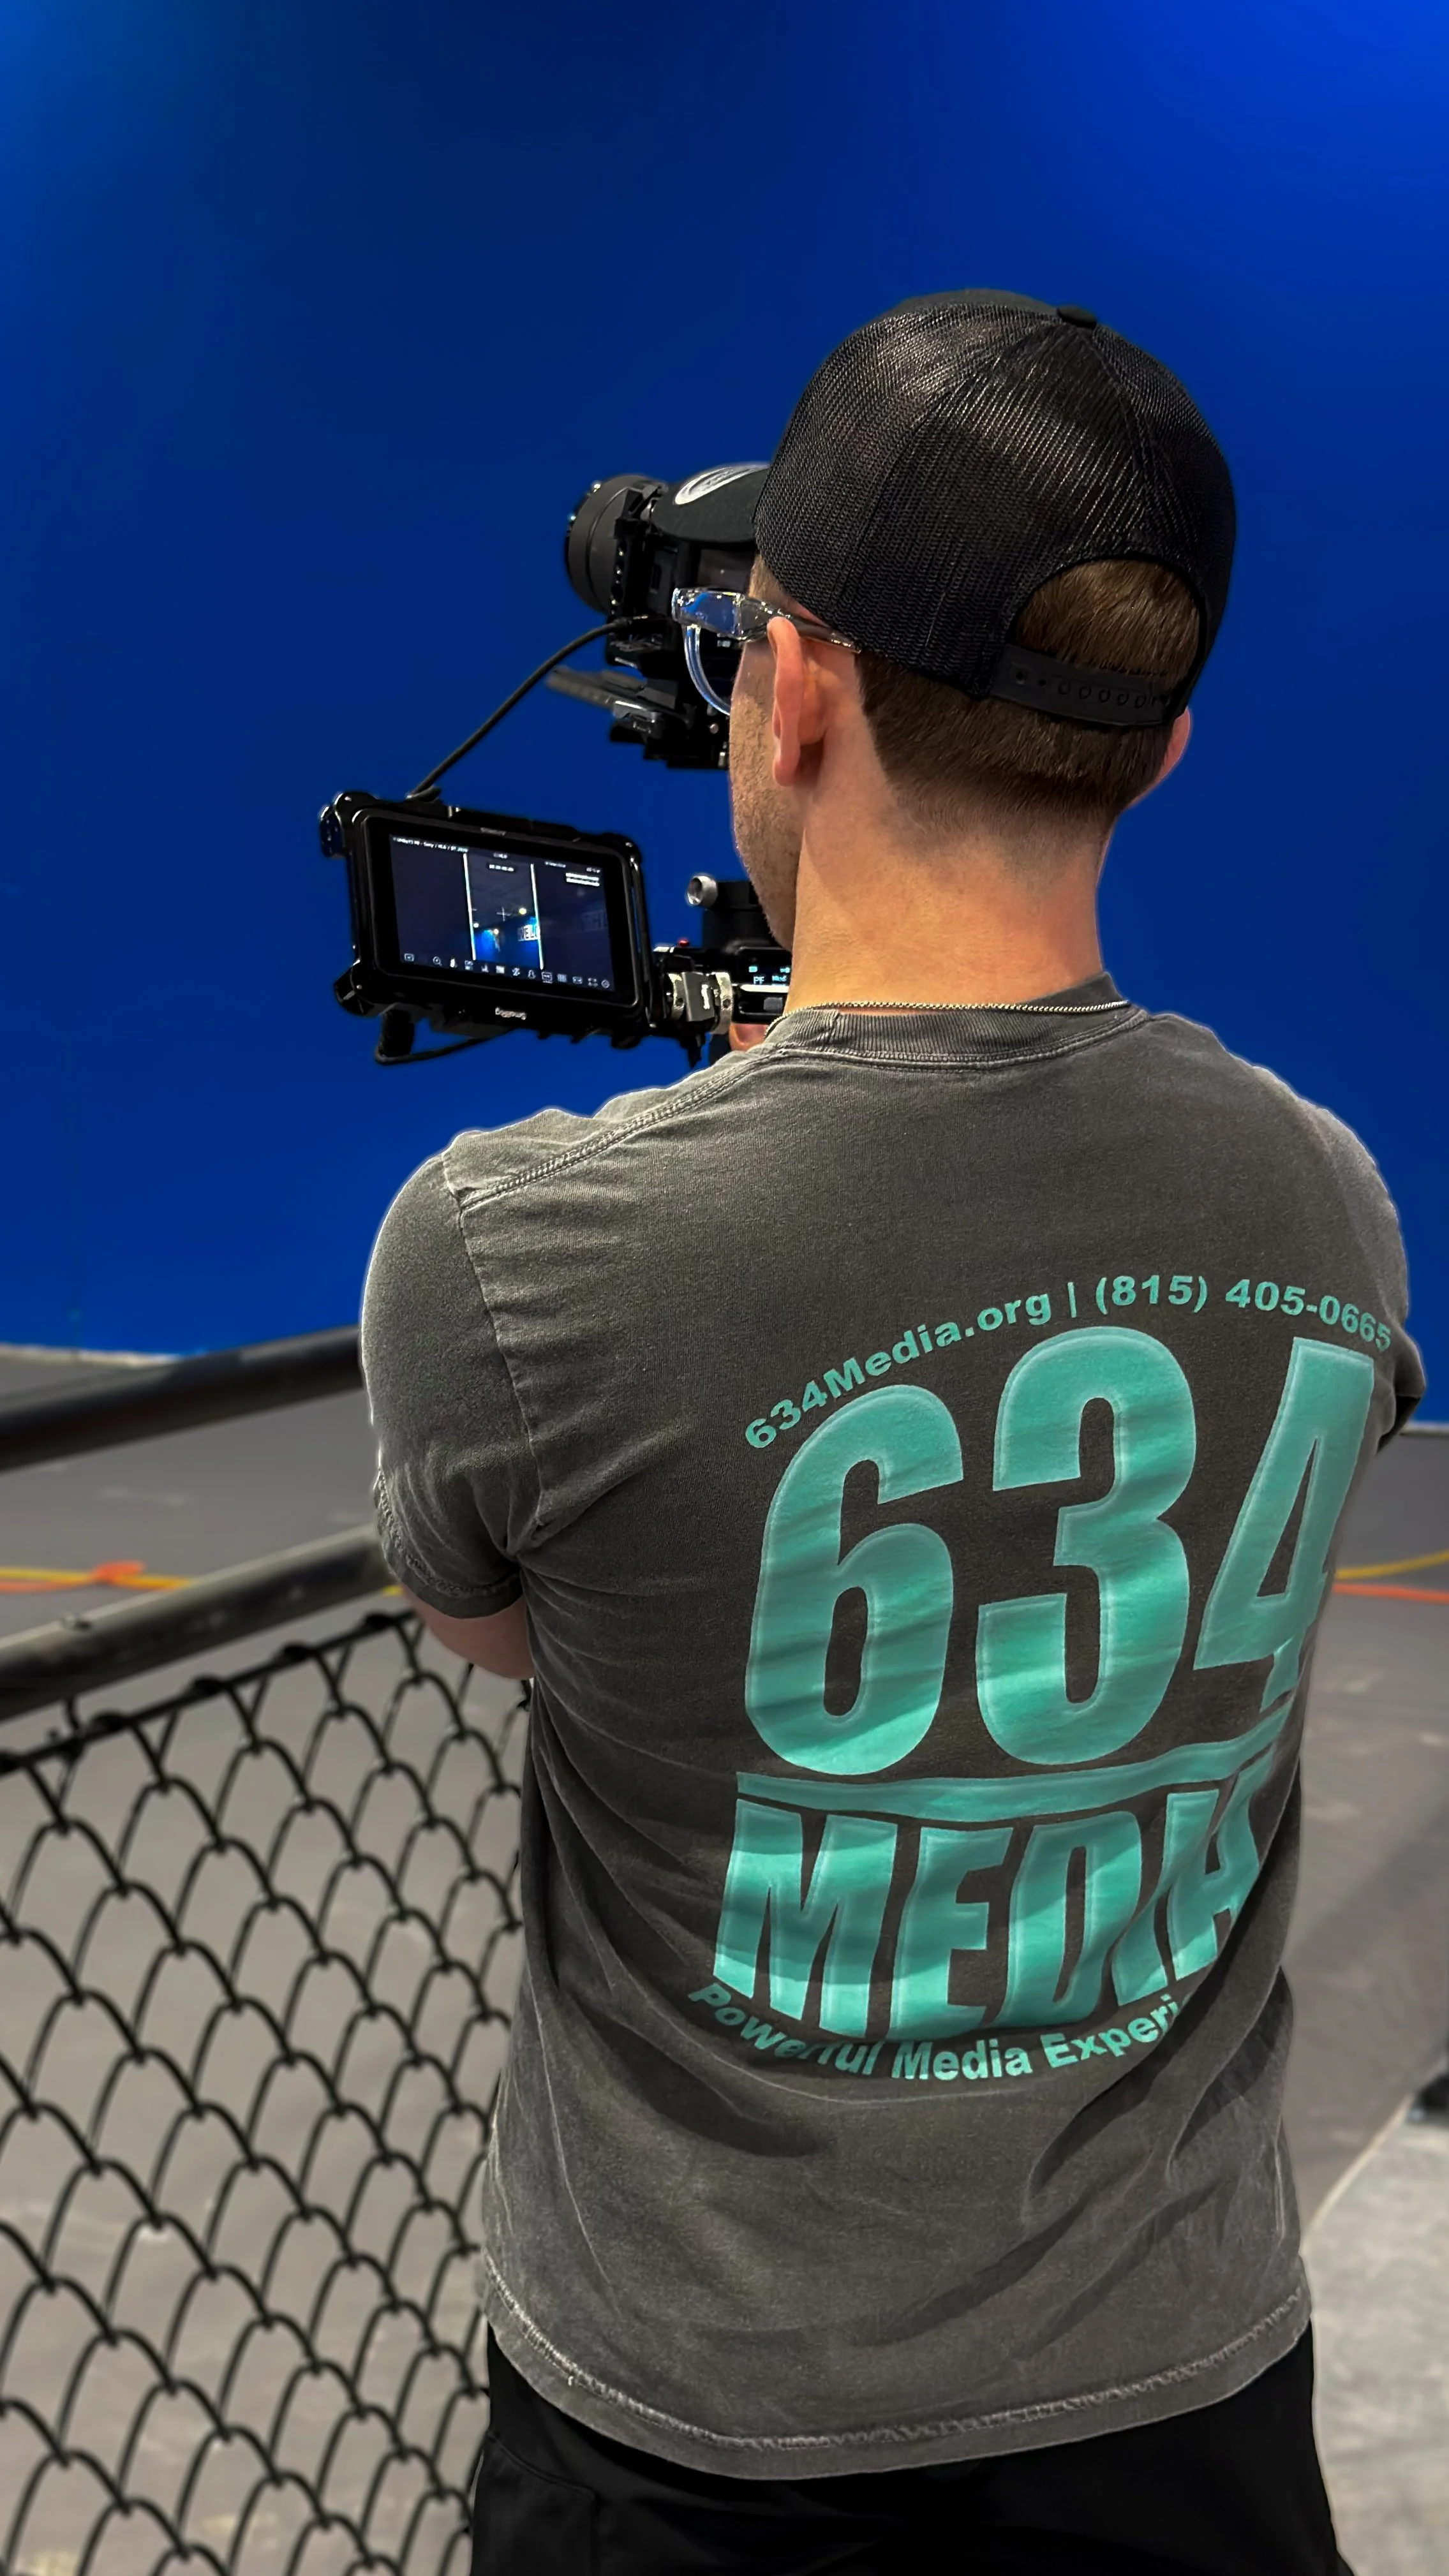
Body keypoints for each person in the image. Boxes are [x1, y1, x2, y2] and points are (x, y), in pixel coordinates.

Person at [360, 290, 1423, 2574]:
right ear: (1156, 750)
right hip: (1187, 2417)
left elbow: (523, 1640)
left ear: (794, 678)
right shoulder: (1327, 1206)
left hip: (697, 2454)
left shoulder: (518, 1251)